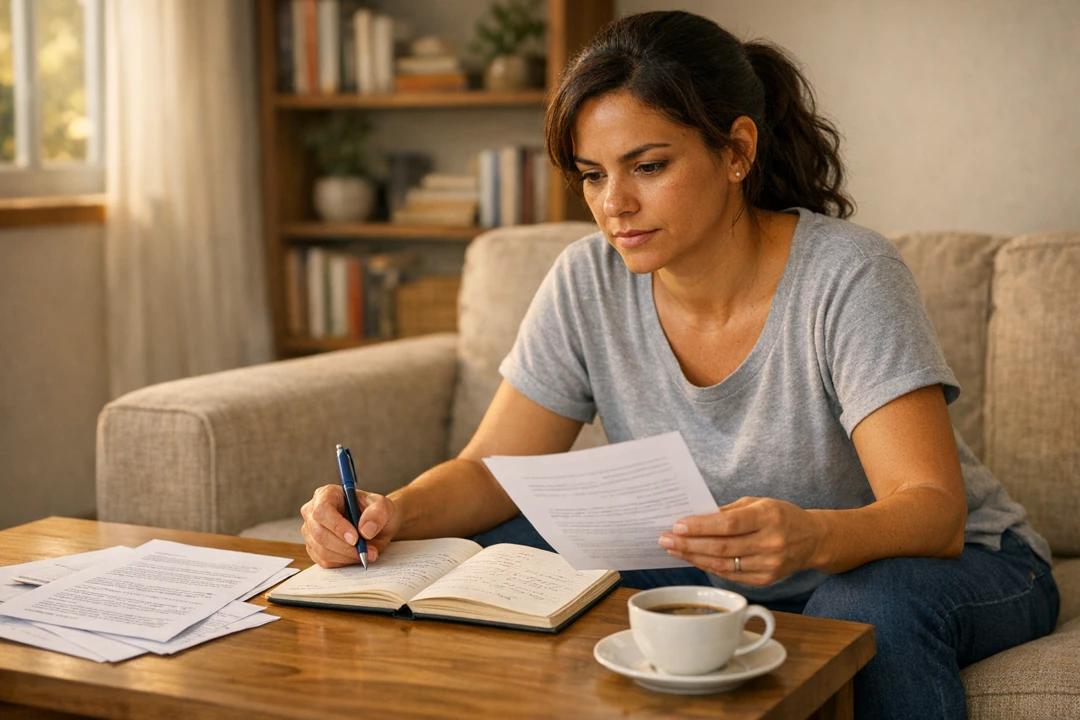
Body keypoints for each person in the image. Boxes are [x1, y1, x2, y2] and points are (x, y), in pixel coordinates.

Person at [300, 10, 1059, 719]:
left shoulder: (848, 276)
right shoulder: (585, 280)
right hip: (719, 567)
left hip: (955, 564)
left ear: (736, 150)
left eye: (648, 166)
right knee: (502, 558)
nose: (614, 205)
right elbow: (491, 469)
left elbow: (934, 510)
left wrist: (812, 537)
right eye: (593, 174)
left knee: (869, 609)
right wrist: (388, 512)